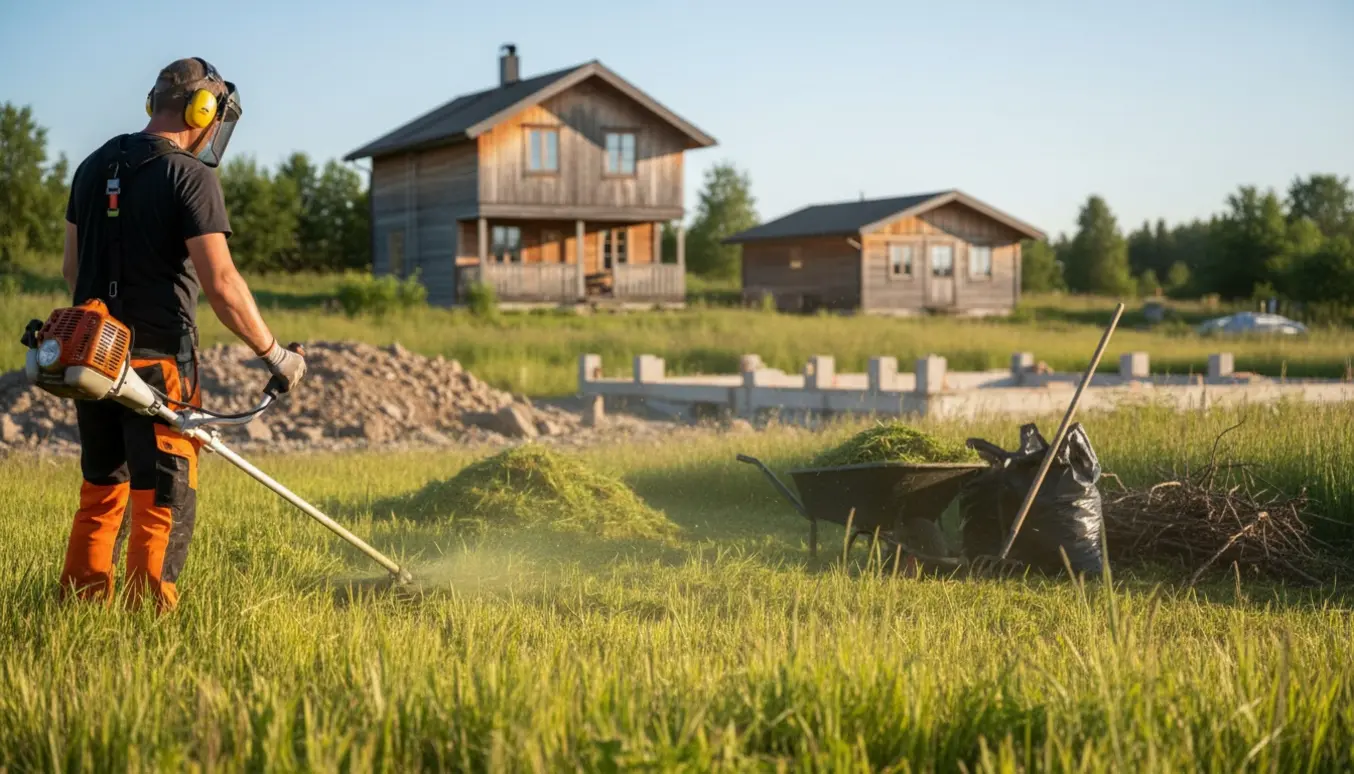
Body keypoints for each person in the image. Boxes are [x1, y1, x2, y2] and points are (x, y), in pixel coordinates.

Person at [58, 57, 306, 612]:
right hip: (160, 363)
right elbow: (221, 283)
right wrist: (276, 356)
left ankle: (80, 611)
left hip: (92, 356)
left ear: (155, 103)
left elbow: (73, 273)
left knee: (103, 489)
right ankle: (149, 618)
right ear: (204, 110)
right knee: (163, 494)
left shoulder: (91, 168)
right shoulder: (191, 175)